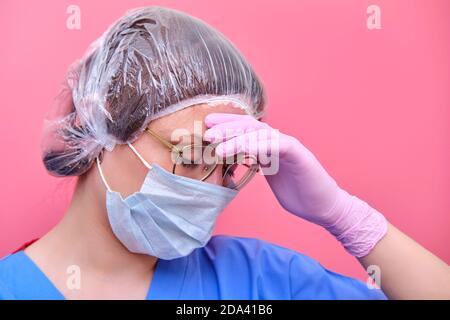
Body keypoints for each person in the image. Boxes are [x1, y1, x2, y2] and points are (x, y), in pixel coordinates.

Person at [0, 6, 449, 300]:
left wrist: (345, 217)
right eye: (193, 154)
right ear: (104, 127)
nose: (212, 188)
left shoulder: (258, 283)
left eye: (231, 164)